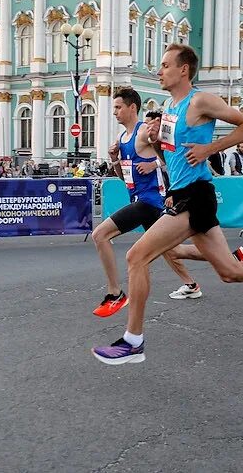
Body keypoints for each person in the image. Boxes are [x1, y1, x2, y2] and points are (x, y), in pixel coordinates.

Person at [91, 44, 243, 365]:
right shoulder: (169, 106)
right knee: (230, 271)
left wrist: (210, 149)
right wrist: (155, 144)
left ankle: (133, 340)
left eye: (165, 65)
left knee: (137, 255)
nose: (159, 71)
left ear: (184, 70)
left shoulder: (200, 100)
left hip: (195, 194)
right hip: (182, 193)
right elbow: (170, 159)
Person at [91, 88, 204, 317]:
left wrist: (155, 164)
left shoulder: (143, 132)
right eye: (113, 108)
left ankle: (115, 293)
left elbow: (171, 157)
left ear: (132, 107)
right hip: (140, 199)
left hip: (149, 201)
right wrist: (114, 160)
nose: (114, 112)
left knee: (100, 235)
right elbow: (124, 178)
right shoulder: (122, 139)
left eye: (118, 107)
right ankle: (216, 266)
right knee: (172, 250)